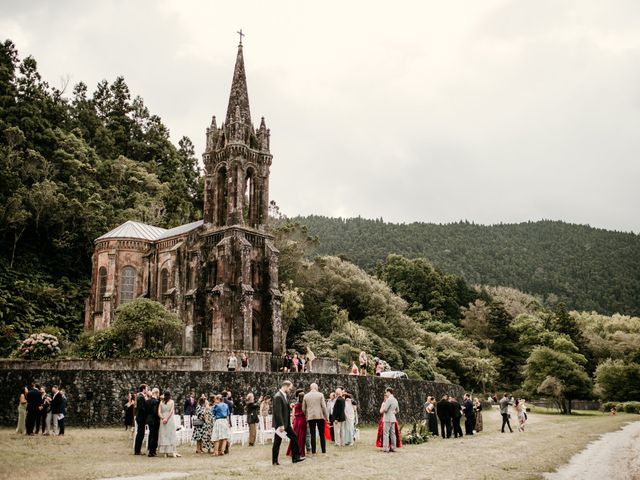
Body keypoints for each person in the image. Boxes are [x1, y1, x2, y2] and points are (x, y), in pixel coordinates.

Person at [272, 380, 304, 465]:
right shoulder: (278, 396)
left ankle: (296, 458)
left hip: (286, 424)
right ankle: (275, 461)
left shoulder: (284, 395)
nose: (290, 390)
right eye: (290, 388)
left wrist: (289, 406)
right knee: (277, 442)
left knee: (294, 437)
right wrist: (281, 425)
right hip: (281, 425)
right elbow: (277, 412)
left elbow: (283, 407)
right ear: (285, 386)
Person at [302, 383, 329, 454]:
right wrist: (327, 416)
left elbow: (303, 409)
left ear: (310, 388)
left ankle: (313, 451)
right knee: (322, 434)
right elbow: (324, 407)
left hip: (310, 417)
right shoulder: (320, 395)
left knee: (312, 434)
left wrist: (306, 415)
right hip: (320, 416)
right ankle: (323, 450)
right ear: (316, 388)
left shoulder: (306, 396)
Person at [158, 391, 180, 458]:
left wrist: (163, 418)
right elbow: (171, 411)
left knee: (164, 434)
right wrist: (166, 419)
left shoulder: (161, 402)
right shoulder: (172, 402)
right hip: (169, 419)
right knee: (171, 434)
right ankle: (172, 451)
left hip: (163, 419)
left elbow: (159, 412)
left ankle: (165, 452)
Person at [287, 390, 307, 458]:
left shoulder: (296, 404)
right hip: (302, 420)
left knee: (296, 436)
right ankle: (300, 452)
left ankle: (292, 451)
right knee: (301, 437)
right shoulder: (303, 404)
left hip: (296, 421)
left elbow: (293, 413)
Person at [381, 387, 399, 452]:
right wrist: (393, 412)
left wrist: (382, 408)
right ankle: (393, 447)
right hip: (393, 418)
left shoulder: (389, 399)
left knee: (386, 434)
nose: (385, 393)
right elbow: (397, 410)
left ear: (389, 392)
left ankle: (386, 448)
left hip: (387, 418)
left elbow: (385, 410)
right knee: (393, 434)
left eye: (386, 392)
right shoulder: (395, 399)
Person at [134, 384, 148, 455]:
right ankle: (137, 451)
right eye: (146, 388)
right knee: (140, 434)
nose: (147, 390)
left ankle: (137, 450)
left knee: (140, 433)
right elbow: (142, 408)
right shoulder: (141, 397)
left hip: (140, 417)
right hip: (141, 418)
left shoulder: (140, 396)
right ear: (143, 389)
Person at [146, 388, 161, 457]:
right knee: (154, 436)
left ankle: (151, 450)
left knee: (151, 435)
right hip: (154, 420)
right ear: (157, 393)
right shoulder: (156, 402)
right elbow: (155, 412)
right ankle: (152, 451)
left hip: (149, 420)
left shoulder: (148, 401)